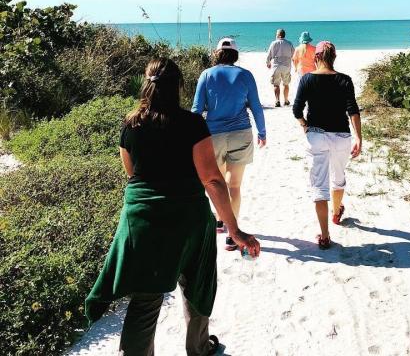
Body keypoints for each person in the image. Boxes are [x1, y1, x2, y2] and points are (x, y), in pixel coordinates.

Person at [85, 58, 260, 356]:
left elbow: (132, 174)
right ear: (178, 86)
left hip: (142, 220)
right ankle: (199, 349)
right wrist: (235, 230)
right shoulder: (192, 124)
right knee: (197, 288)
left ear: (146, 83)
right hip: (188, 218)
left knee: (145, 299)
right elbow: (213, 181)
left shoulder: (130, 124)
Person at [192, 37, 266, 251]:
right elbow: (256, 107)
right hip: (241, 134)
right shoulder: (245, 75)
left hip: (212, 136)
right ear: (235, 54)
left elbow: (197, 110)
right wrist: (262, 131)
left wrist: (191, 137)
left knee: (216, 182)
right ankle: (233, 236)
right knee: (234, 186)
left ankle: (218, 221)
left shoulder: (206, 75)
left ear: (217, 53)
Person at [292, 41, 362, 250]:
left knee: (319, 185)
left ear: (316, 58)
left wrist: (305, 126)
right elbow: (353, 110)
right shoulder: (345, 80)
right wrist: (359, 137)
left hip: (316, 136)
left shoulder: (307, 79)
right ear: (334, 58)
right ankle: (335, 213)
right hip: (341, 135)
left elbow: (297, 109)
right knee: (338, 177)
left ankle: (324, 236)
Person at [266, 28, 295, 107]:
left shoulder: (274, 43)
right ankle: (286, 101)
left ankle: (277, 100)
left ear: (278, 35)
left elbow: (269, 54)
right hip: (287, 66)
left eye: (276, 34)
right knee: (286, 84)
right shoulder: (289, 43)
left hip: (276, 66)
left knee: (276, 84)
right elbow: (293, 55)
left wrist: (268, 63)